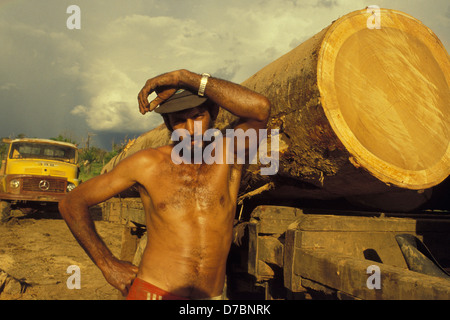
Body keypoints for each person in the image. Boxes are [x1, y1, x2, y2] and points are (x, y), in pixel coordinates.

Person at [58, 69, 271, 300]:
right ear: (167, 123)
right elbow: (72, 201)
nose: (190, 130)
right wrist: (107, 265)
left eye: (198, 116)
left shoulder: (229, 154)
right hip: (154, 293)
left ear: (213, 113)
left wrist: (183, 77)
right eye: (179, 120)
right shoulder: (147, 163)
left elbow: (260, 109)